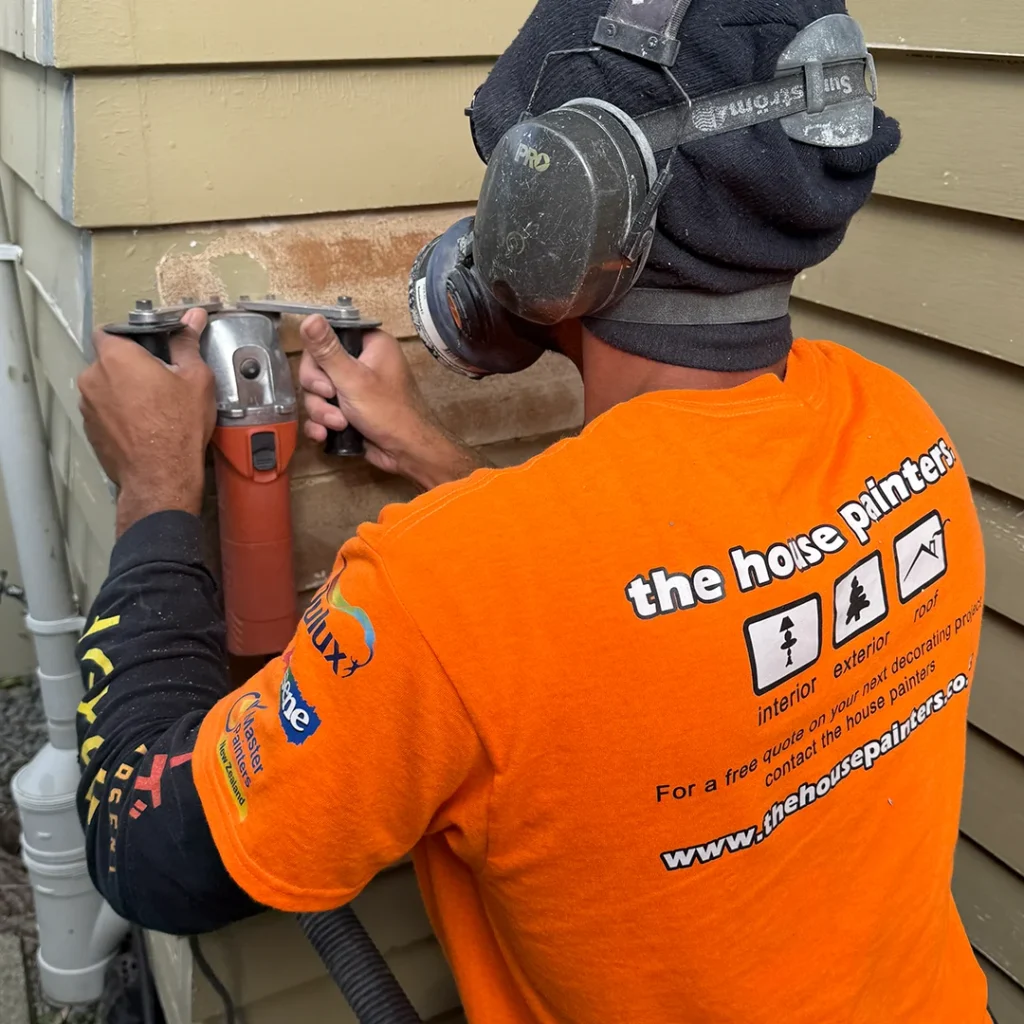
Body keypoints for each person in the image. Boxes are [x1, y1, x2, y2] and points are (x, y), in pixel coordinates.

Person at [74, 1, 993, 1021]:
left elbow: (148, 851)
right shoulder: (894, 427)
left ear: (565, 219)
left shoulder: (447, 593)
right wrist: (427, 451)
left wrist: (154, 485)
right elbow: (640, 613)